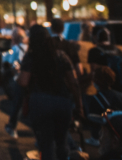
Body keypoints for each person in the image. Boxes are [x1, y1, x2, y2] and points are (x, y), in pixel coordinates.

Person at [17, 24, 84, 160]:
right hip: (62, 101)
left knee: (46, 144)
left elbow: (23, 81)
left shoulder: (31, 56)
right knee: (62, 141)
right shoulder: (61, 55)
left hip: (40, 101)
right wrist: (79, 105)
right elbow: (73, 83)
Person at [4, 26, 28, 139]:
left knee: (17, 103)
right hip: (31, 79)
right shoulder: (30, 48)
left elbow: (9, 63)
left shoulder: (15, 49)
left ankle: (12, 127)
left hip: (20, 79)